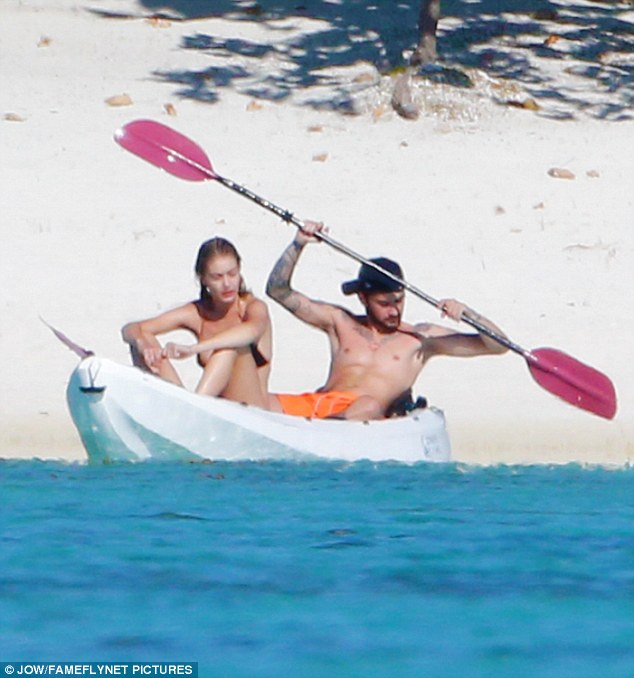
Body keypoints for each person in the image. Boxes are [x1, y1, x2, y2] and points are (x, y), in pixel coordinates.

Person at [266, 221, 509, 420]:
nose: (394, 311)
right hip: (319, 404)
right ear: (363, 298)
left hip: (364, 415)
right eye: (384, 303)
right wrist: (298, 244)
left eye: (399, 301)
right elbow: (277, 291)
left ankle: (321, 430)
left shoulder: (420, 338)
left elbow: (498, 346)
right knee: (259, 401)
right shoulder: (340, 322)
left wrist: (468, 314)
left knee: (368, 405)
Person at [122, 237, 275, 409]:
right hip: (215, 409)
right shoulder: (198, 312)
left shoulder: (253, 307)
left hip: (254, 411)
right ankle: (183, 406)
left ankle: (193, 407)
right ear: (203, 279)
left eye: (232, 274)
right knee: (142, 339)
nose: (227, 284)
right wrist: (142, 344)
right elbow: (131, 328)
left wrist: (193, 349)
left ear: (239, 271)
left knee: (229, 347)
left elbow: (251, 331)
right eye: (217, 277)